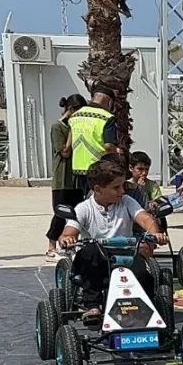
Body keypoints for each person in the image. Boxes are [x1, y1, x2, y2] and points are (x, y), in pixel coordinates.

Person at [58, 158, 168, 319]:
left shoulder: (126, 202)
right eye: (116, 187)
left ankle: (144, 309)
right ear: (98, 189)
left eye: (123, 185)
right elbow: (70, 230)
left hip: (124, 256)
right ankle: (93, 306)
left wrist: (155, 232)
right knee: (90, 251)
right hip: (97, 260)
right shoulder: (84, 208)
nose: (122, 191)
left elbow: (144, 218)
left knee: (141, 271)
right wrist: (67, 238)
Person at [45, 94, 85, 260]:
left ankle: (70, 243)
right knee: (60, 212)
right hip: (63, 178)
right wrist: (73, 131)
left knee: (76, 212)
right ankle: (51, 246)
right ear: (71, 110)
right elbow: (65, 152)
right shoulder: (57, 127)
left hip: (77, 177)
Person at [69, 87, 121, 196]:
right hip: (98, 167)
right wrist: (117, 154)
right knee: (98, 200)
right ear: (110, 102)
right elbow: (108, 146)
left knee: (86, 199)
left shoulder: (75, 115)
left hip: (78, 166)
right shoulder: (107, 117)